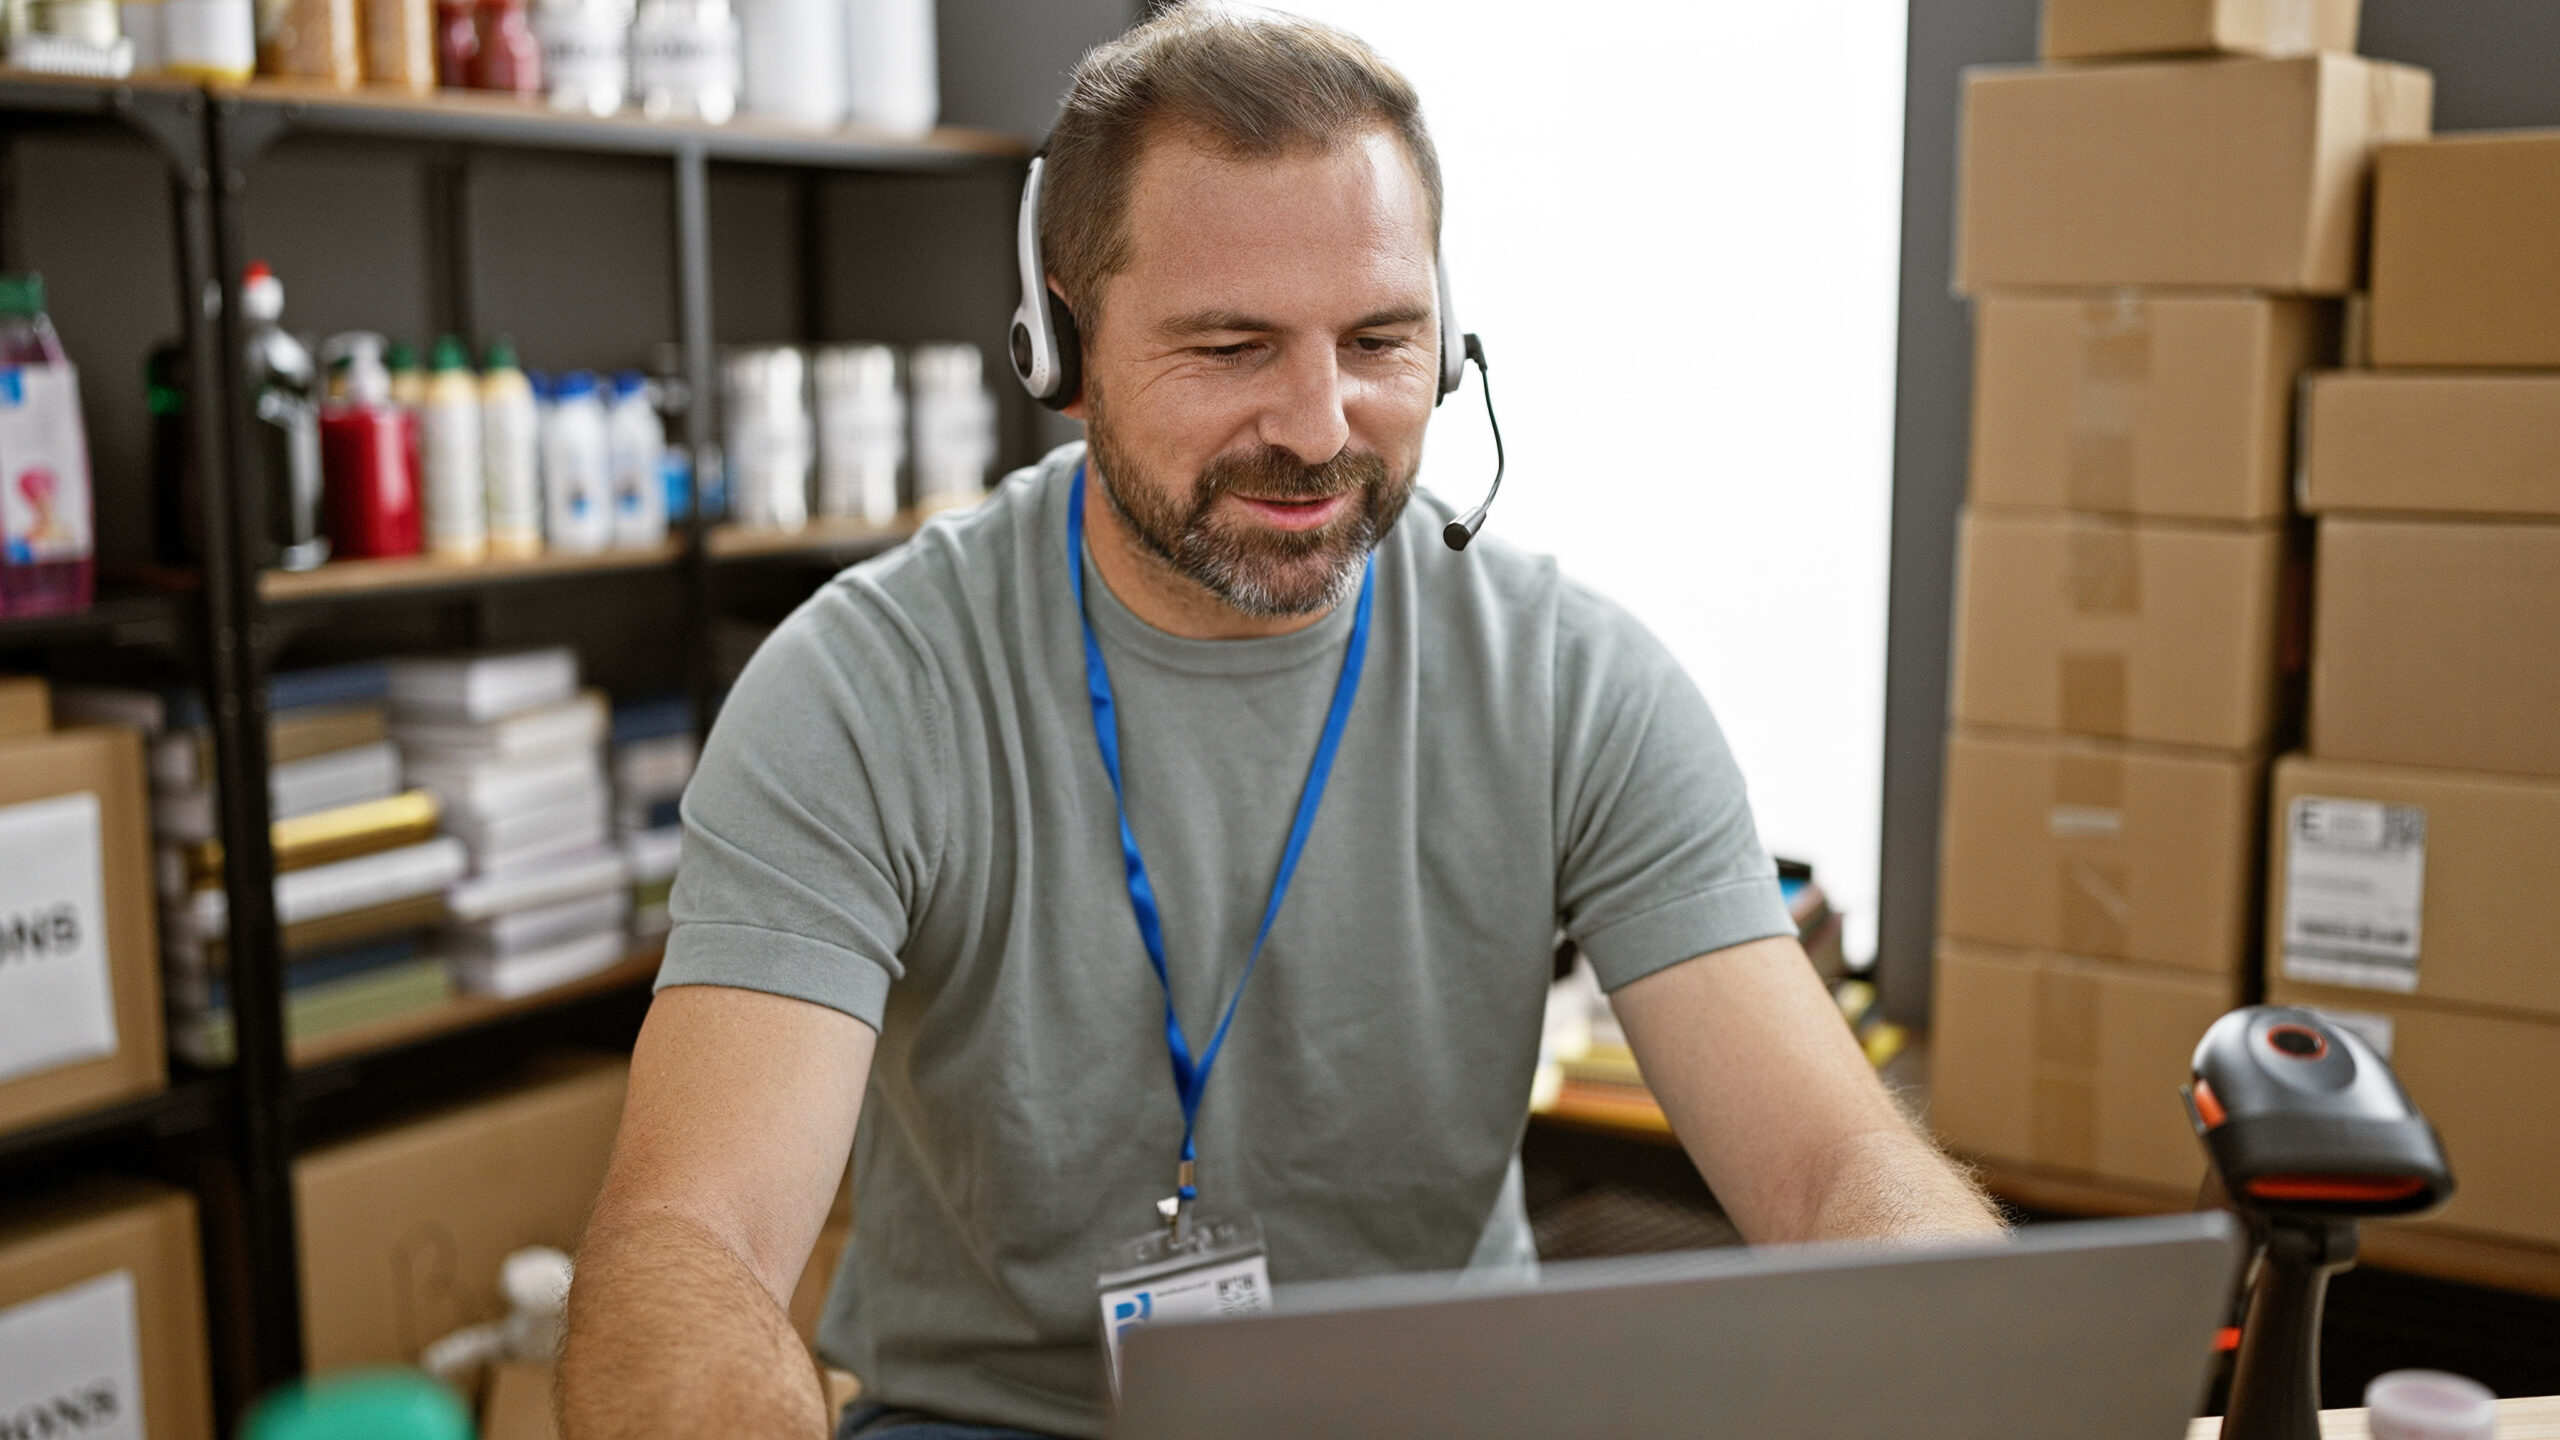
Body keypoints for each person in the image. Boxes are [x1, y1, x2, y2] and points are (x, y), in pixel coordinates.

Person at [559, 7, 2003, 1439]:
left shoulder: (1577, 684)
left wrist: (1979, 1367)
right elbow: (698, 1241)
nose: (1319, 427)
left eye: (1380, 339)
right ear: (1059, 346)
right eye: (1233, 346)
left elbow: (1830, 1171)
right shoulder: (864, 692)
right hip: (1006, 1422)